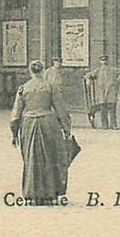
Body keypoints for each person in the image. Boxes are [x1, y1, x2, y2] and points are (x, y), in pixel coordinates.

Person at [10, 59, 72, 203]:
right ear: (43, 71)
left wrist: (14, 133)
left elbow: (15, 114)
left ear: (30, 71)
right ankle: (50, 192)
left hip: (29, 124)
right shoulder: (50, 87)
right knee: (51, 156)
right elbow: (61, 110)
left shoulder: (23, 88)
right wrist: (66, 129)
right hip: (48, 123)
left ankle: (31, 192)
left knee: (31, 158)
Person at [84, 55, 120, 129]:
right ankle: (104, 125)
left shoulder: (112, 69)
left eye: (105, 60)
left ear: (107, 61)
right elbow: (88, 75)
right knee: (103, 110)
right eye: (102, 61)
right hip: (101, 93)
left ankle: (113, 125)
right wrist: (88, 79)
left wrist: (116, 82)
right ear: (100, 62)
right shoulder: (98, 70)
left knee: (112, 110)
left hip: (111, 92)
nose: (104, 62)